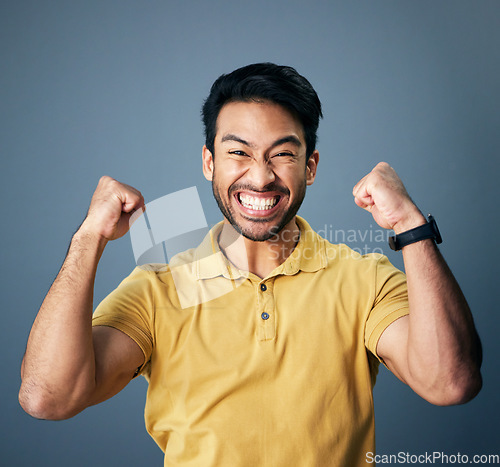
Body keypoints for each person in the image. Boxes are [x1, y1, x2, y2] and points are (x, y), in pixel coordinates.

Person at [19, 63, 482, 466]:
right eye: (238, 152)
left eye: (282, 154)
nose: (260, 176)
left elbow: (451, 382)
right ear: (209, 162)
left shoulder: (363, 280)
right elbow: (47, 396)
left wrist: (410, 224)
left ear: (311, 166)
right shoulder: (157, 289)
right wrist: (89, 238)